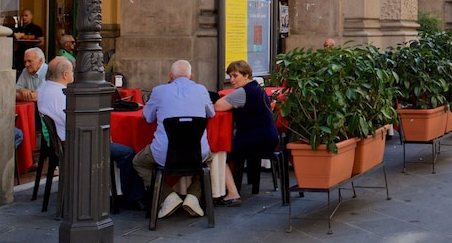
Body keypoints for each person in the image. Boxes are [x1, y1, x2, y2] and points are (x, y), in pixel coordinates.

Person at [37, 57, 146, 210]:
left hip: (63, 142)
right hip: (77, 144)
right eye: (72, 72)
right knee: (127, 153)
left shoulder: (44, 90)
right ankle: (133, 197)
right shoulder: (61, 95)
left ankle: (118, 192)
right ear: (65, 75)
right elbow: (77, 122)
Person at [134, 60, 215, 219]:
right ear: (191, 76)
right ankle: (193, 195)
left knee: (138, 161)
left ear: (170, 76)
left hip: (165, 154)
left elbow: (147, 117)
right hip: (197, 152)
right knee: (209, 157)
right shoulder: (201, 90)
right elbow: (211, 114)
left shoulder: (159, 91)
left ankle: (168, 196)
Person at [213, 60, 280, 206]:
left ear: (246, 75)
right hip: (269, 137)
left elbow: (218, 106)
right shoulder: (257, 89)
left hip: (255, 139)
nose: (231, 80)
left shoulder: (244, 92)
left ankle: (232, 193)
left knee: (217, 153)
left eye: (235, 76)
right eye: (230, 76)